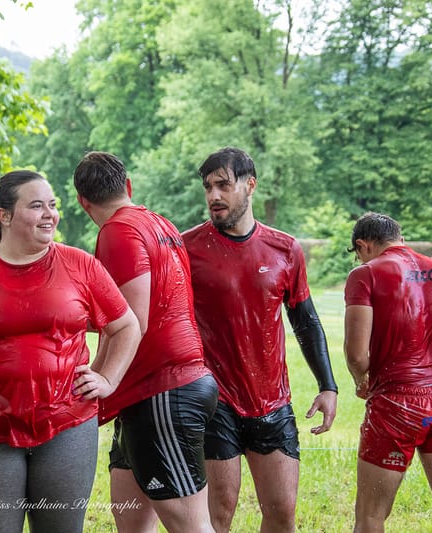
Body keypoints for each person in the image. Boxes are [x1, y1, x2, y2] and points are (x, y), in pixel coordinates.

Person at [0, 170, 141, 533]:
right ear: (5, 215)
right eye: (36, 206)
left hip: (67, 425)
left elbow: (126, 325)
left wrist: (108, 377)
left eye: (52, 205)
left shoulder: (80, 264)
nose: (50, 214)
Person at [181, 147, 338, 533]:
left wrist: (328, 385)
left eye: (223, 184)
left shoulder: (286, 248)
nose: (214, 195)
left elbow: (305, 320)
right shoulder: (187, 248)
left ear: (249, 185)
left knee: (282, 513)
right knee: (218, 515)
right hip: (213, 400)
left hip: (273, 401)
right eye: (207, 187)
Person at [73, 152, 217, 533]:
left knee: (191, 525)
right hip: (151, 392)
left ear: (82, 202)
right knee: (131, 520)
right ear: (128, 186)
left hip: (163, 389)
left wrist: (103, 377)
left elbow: (130, 321)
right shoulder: (159, 222)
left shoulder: (117, 231)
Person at [344, 212, 432, 532]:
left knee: (370, 516)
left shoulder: (366, 274)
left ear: (362, 245)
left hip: (398, 403)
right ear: (399, 238)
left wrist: (359, 379)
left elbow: (357, 355)